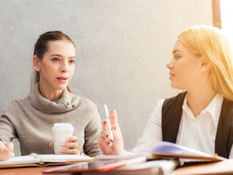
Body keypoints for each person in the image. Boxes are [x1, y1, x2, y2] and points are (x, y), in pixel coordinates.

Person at [98, 25, 233, 159]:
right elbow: (142, 159)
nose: (169, 64)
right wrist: (119, 153)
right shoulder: (163, 109)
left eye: (177, 56)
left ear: (204, 63)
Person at [0, 31, 102, 161]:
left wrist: (80, 158)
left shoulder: (87, 109)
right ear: (37, 63)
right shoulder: (17, 110)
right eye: (56, 59)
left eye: (71, 61)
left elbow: (101, 161)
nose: (65, 68)